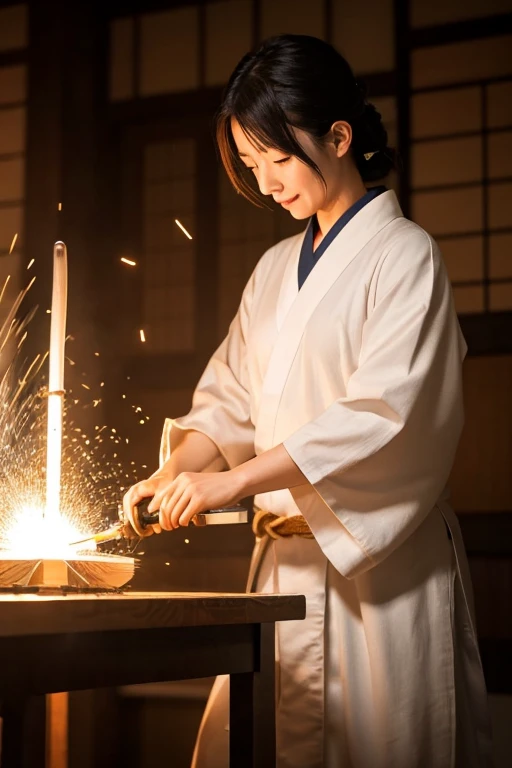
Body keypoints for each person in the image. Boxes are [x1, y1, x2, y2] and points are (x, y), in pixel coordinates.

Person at [123, 34, 492, 768]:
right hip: (282, 570)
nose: (266, 185)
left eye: (278, 159)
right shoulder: (271, 271)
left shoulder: (406, 256)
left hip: (383, 573)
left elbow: (385, 415)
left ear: (339, 135)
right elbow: (227, 399)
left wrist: (232, 482)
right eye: (252, 166)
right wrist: (177, 473)